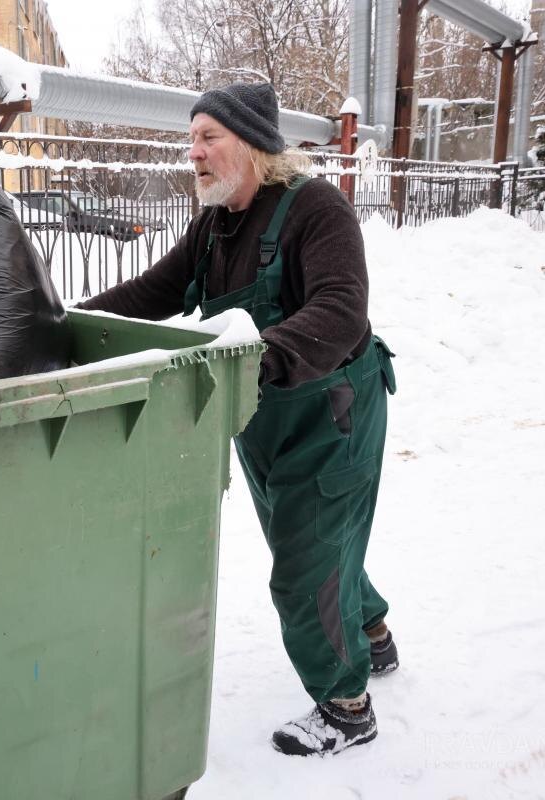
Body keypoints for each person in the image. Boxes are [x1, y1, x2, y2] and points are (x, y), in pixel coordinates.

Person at [76, 82, 399, 757]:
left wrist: (253, 358)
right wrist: (70, 324)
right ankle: (372, 633)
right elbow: (153, 291)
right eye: (190, 139)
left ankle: (347, 705)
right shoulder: (217, 222)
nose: (192, 153)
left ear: (251, 144)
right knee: (315, 538)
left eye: (207, 138)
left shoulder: (318, 209)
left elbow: (342, 312)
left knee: (304, 562)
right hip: (261, 412)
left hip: (330, 409)